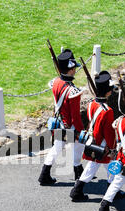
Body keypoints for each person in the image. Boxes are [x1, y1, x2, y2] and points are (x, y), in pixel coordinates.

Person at [69, 71, 125, 202]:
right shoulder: (107, 111)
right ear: (107, 91)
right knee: (110, 166)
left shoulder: (91, 104)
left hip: (93, 140)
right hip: (103, 144)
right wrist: (112, 148)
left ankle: (78, 190)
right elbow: (109, 133)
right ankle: (111, 191)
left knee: (98, 167)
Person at [38, 49, 86, 185]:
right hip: (69, 126)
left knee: (56, 148)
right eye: (73, 69)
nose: (75, 71)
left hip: (58, 123)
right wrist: (80, 131)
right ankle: (78, 173)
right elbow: (75, 116)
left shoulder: (55, 82)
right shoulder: (73, 91)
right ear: (70, 69)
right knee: (78, 147)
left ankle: (44, 174)